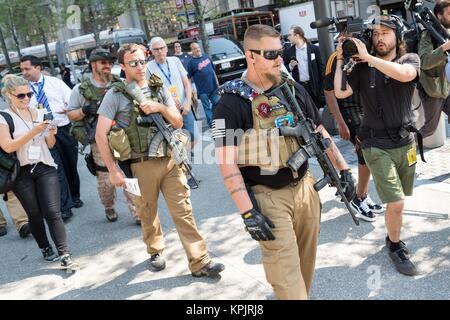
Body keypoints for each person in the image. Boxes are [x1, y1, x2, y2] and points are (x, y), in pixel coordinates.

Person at [213, 24, 355, 299]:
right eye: (271, 53)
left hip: (305, 189)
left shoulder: (291, 89)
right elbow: (226, 164)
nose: (279, 58)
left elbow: (318, 131)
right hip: (268, 199)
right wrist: (247, 213)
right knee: (289, 283)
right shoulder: (229, 104)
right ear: (250, 55)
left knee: (304, 270)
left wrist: (343, 169)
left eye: (281, 51)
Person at [95, 43, 224, 277]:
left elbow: (176, 121)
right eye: (133, 63)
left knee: (184, 210)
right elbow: (100, 134)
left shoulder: (158, 86)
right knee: (147, 211)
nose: (140, 66)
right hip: (140, 163)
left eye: (142, 61)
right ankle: (155, 249)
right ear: (122, 66)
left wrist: (160, 108)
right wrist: (113, 170)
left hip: (170, 160)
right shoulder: (116, 94)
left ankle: (200, 261)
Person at [334, 15, 421, 276]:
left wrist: (370, 59)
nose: (379, 38)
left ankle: (392, 237)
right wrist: (341, 58)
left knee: (402, 197)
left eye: (385, 32)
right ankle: (395, 246)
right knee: (396, 202)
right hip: (374, 143)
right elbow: (340, 92)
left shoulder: (410, 59)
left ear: (398, 36)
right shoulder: (361, 68)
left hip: (406, 143)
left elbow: (405, 76)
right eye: (375, 34)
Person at [0, 74, 78, 269]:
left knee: (53, 211)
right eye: (21, 96)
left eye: (28, 94)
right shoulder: (3, 118)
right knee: (34, 214)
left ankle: (64, 253)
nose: (26, 99)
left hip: (44, 166)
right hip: (21, 172)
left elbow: (49, 144)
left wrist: (51, 133)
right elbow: (8, 147)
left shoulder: (39, 112)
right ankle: (44, 247)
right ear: (9, 95)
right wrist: (33, 132)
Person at [68, 48, 138, 223]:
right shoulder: (80, 89)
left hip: (122, 136)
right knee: (106, 179)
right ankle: (108, 206)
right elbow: (71, 115)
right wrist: (84, 110)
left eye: (109, 63)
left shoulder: (121, 84)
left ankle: (138, 212)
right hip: (98, 140)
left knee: (128, 173)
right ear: (93, 65)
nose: (107, 66)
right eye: (103, 63)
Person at [324, 48, 383, 222]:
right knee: (366, 151)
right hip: (347, 110)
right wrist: (341, 123)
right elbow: (328, 92)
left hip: (366, 106)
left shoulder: (366, 51)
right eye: (344, 37)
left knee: (369, 153)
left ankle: (362, 195)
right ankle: (360, 197)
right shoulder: (335, 57)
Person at [20, 55, 82, 220]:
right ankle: (64, 206)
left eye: (27, 69)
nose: (23, 72)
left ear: (38, 67)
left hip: (63, 129)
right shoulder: (24, 90)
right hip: (43, 133)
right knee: (56, 168)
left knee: (70, 165)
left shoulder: (55, 83)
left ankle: (74, 195)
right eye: (22, 70)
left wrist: (67, 108)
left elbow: (72, 102)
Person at [146, 37, 198, 189]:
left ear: (166, 48)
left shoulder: (175, 61)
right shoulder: (149, 67)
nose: (160, 51)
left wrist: (188, 102)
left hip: (184, 107)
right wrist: (165, 106)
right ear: (152, 51)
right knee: (177, 142)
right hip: (168, 112)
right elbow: (150, 92)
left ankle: (186, 157)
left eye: (162, 48)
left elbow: (186, 83)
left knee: (194, 136)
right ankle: (187, 174)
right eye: (156, 49)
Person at [417, 0, 450, 138]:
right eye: (449, 13)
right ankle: (407, 141)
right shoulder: (428, 34)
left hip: (446, 87)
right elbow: (424, 61)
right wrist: (445, 47)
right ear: (439, 15)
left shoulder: (446, 31)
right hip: (432, 89)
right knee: (430, 129)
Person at [284, 25, 325, 109]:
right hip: (300, 86)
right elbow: (284, 68)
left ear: (297, 35)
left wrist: (322, 86)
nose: (288, 37)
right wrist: (290, 66)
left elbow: (321, 67)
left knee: (317, 109)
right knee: (304, 109)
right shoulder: (289, 51)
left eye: (289, 35)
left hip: (314, 86)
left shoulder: (314, 49)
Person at [186, 42, 220, 127]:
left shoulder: (206, 57)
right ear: (192, 51)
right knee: (206, 107)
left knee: (217, 103)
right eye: (194, 48)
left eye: (198, 47)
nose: (197, 49)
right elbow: (189, 78)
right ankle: (211, 124)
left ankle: (215, 118)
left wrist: (217, 83)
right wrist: (191, 89)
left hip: (213, 86)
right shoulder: (191, 63)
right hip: (202, 90)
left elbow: (213, 71)